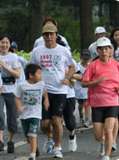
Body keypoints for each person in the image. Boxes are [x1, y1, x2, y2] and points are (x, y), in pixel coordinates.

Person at [30, 23, 75, 158]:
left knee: (56, 120)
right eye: (46, 34)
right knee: (44, 124)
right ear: (43, 36)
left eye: (51, 34)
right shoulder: (37, 51)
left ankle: (57, 148)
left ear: (56, 35)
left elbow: (72, 66)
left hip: (60, 91)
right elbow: (32, 68)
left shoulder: (64, 51)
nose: (49, 37)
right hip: (43, 91)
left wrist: (67, 78)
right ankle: (50, 137)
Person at [82, 37, 119, 160]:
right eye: (102, 49)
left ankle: (107, 155)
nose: (104, 51)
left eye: (107, 48)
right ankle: (105, 143)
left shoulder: (117, 64)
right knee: (98, 135)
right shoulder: (93, 66)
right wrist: (97, 82)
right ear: (98, 51)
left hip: (112, 101)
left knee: (108, 129)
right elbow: (84, 83)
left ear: (110, 50)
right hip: (97, 103)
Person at [0, 35, 20, 153]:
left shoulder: (13, 57)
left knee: (12, 116)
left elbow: (17, 74)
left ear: (10, 44)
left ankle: (11, 141)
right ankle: (0, 141)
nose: (4, 45)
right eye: (2, 42)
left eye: (6, 43)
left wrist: (6, 67)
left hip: (11, 90)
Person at [14, 63, 49, 160]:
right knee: (28, 136)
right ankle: (35, 147)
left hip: (35, 114)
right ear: (31, 75)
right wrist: (19, 108)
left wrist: (46, 100)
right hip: (24, 115)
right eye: (38, 73)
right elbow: (16, 98)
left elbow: (45, 93)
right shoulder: (22, 85)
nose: (40, 75)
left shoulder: (41, 84)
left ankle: (32, 156)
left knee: (33, 134)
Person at [64, 58, 82, 152]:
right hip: (53, 93)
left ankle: (72, 136)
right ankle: (55, 144)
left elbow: (80, 76)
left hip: (69, 94)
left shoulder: (71, 61)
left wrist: (69, 74)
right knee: (55, 119)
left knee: (70, 122)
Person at [74, 49, 91, 127]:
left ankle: (87, 120)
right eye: (84, 58)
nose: (85, 60)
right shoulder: (77, 66)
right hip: (78, 86)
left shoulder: (91, 66)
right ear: (81, 57)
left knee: (86, 104)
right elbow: (75, 76)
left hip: (87, 87)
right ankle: (81, 114)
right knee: (80, 105)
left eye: (87, 58)